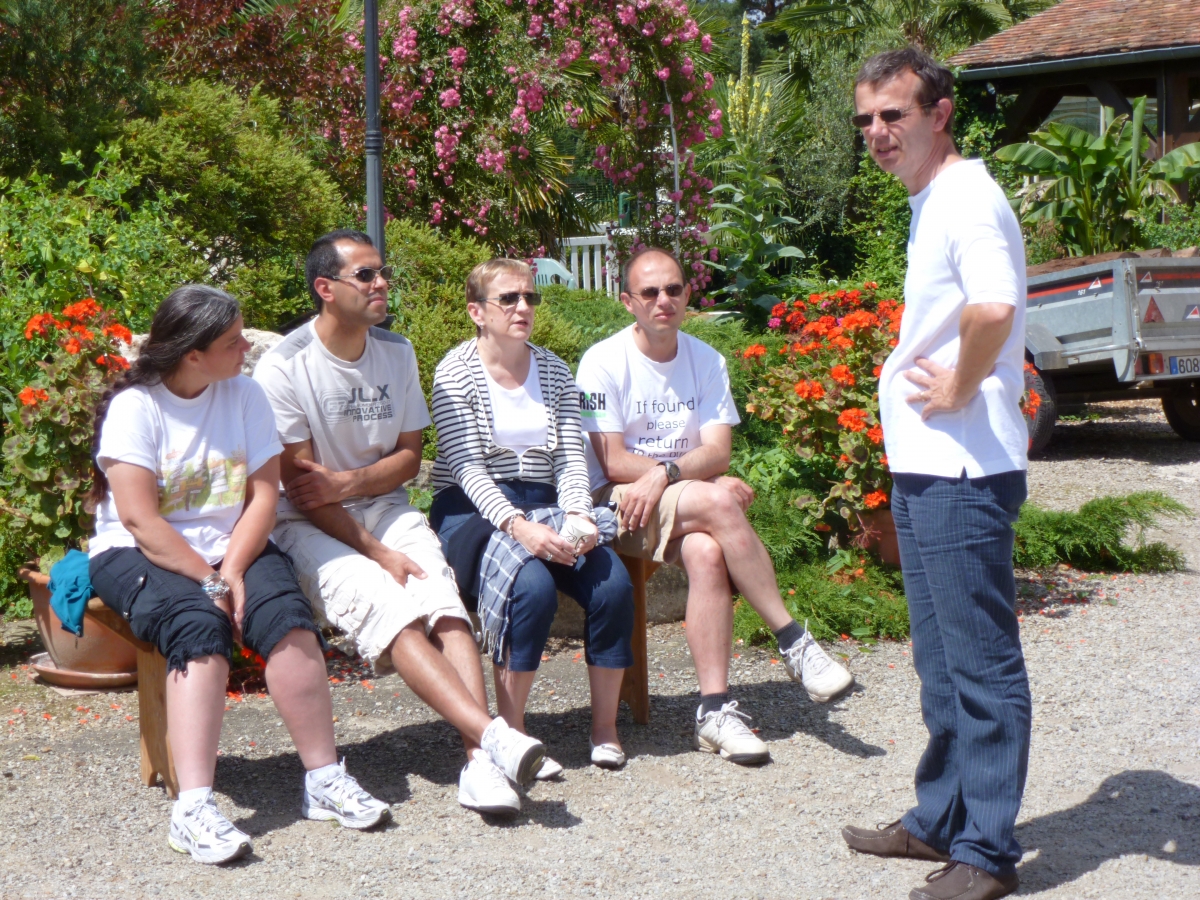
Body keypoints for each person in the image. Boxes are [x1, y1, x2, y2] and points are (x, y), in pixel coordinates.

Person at [87, 285, 389, 866]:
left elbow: (263, 495)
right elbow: (140, 520)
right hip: (139, 551)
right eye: (233, 341)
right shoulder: (137, 408)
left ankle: (324, 778)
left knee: (288, 621)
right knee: (197, 627)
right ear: (192, 354)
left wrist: (232, 567)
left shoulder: (245, 393)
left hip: (234, 545)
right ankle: (193, 808)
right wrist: (212, 583)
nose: (246, 347)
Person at [253, 231, 544, 819]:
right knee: (392, 609)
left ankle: (479, 764)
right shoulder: (284, 366)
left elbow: (410, 459)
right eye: (365, 275)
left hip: (385, 506)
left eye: (382, 272)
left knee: (444, 605)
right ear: (325, 288)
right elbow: (305, 491)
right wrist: (376, 552)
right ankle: (494, 735)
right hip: (307, 523)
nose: (381, 283)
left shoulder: (397, 350)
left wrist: (349, 482)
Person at [839, 49, 1030, 900]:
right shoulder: (933, 201)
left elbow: (994, 308)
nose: (878, 132)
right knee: (942, 662)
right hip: (928, 467)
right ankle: (941, 820)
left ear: (940, 113)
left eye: (895, 114)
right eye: (867, 119)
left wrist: (957, 386)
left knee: (981, 668)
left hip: (962, 469)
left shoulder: (966, 198)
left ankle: (986, 854)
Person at [575, 247, 854, 767]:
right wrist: (687, 476)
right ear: (628, 302)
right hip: (615, 502)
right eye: (650, 292)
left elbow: (719, 451)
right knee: (719, 498)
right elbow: (611, 461)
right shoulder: (602, 362)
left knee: (706, 552)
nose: (663, 300)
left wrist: (670, 474)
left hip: (679, 494)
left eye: (673, 289)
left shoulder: (707, 360)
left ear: (687, 295)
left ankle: (714, 710)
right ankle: (794, 642)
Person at [429, 258, 635, 778]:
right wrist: (518, 526)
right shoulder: (454, 373)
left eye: (529, 297)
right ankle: (513, 732)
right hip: (473, 511)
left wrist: (579, 516)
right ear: (477, 312)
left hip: (547, 502)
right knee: (532, 587)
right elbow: (467, 469)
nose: (523, 307)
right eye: (508, 299)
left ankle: (605, 728)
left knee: (611, 583)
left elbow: (570, 459)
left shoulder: (555, 370)